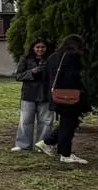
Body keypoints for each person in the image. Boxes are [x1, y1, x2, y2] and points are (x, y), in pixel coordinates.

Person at [38, 35, 89, 166]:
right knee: (69, 123)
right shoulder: (72, 57)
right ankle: (65, 153)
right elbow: (73, 77)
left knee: (67, 123)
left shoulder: (53, 57)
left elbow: (46, 76)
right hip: (70, 96)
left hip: (56, 95)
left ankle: (48, 142)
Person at [13, 38, 54, 152]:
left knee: (46, 121)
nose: (40, 49)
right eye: (37, 47)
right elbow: (18, 76)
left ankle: (42, 145)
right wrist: (32, 72)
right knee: (26, 120)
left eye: (43, 47)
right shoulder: (26, 59)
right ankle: (23, 145)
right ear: (33, 48)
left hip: (45, 94)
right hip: (29, 94)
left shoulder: (51, 59)